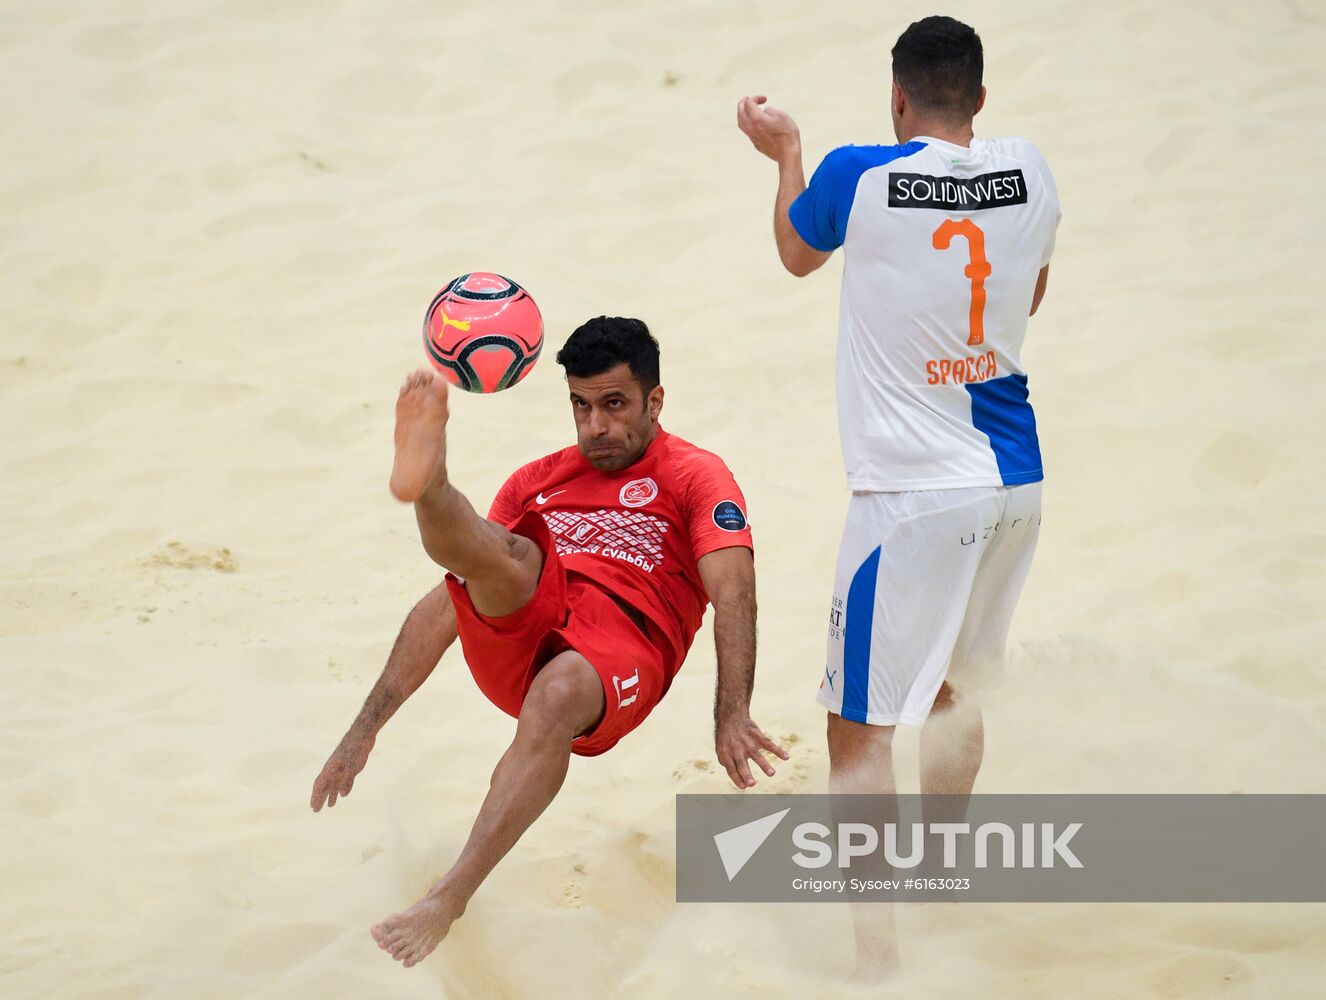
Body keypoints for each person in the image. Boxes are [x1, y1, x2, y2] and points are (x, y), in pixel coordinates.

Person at [310, 316, 788, 968]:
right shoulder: (541, 478)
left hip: (622, 650)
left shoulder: (695, 476)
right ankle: (429, 484)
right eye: (581, 406)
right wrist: (364, 728)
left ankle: (448, 897)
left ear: (655, 401)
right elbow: (445, 606)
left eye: (614, 405)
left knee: (556, 681)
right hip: (527, 628)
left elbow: (733, 587)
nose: (595, 427)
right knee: (505, 554)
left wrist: (732, 710)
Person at [737, 15, 1060, 978]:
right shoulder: (1031, 169)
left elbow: (797, 254)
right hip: (1015, 483)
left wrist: (785, 152)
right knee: (954, 691)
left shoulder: (855, 171)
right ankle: (943, 893)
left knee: (859, 731)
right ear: (982, 98)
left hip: (914, 496)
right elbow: (1027, 297)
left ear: (898, 95)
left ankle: (878, 964)